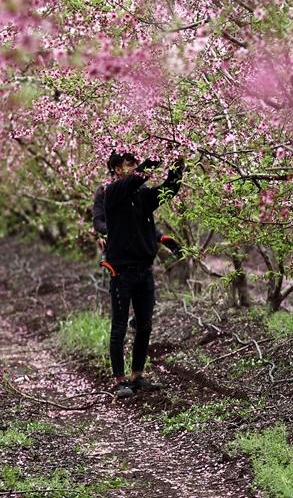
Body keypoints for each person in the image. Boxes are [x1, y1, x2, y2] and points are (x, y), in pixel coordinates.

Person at [101, 151, 184, 399]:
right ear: (117, 169)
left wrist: (178, 165)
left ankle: (137, 376)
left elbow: (169, 190)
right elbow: (135, 179)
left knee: (145, 325)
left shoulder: (142, 197)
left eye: (136, 163)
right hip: (121, 272)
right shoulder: (113, 193)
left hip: (144, 271)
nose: (134, 167)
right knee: (119, 327)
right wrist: (152, 162)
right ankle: (120, 380)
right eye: (129, 163)